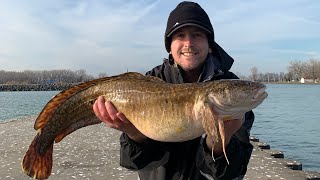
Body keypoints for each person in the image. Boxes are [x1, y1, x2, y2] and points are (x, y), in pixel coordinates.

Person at [93, 1, 254, 179]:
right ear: (169, 46)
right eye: (180, 35)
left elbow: (234, 171)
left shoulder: (233, 90)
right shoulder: (151, 81)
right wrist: (133, 133)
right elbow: (136, 162)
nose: (188, 43)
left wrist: (219, 141)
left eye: (197, 34)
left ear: (210, 45)